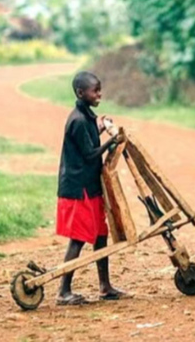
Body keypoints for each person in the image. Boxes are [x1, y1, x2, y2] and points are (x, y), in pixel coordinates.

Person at [55, 71, 129, 305]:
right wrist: (112, 141)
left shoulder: (86, 117)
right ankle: (63, 291)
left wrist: (100, 128)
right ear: (80, 93)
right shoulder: (77, 120)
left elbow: (88, 140)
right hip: (78, 188)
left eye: (99, 89)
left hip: (89, 185)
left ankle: (105, 286)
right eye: (95, 90)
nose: (99, 94)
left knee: (100, 235)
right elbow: (89, 154)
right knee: (78, 238)